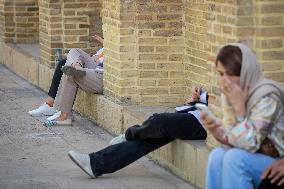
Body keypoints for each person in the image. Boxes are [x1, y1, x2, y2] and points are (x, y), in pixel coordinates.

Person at [67, 86, 207, 178]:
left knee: (160, 120)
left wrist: (205, 98)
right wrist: (196, 99)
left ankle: (129, 135)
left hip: (206, 123)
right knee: (148, 138)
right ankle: (95, 164)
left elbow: (217, 101)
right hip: (197, 115)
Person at [202, 43, 284, 189]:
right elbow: (233, 138)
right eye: (221, 73)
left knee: (234, 158)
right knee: (217, 155)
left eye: (230, 74)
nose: (224, 81)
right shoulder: (231, 95)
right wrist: (217, 131)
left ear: (245, 72)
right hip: (254, 155)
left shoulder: (267, 96)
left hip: (277, 161)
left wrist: (240, 109)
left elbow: (251, 143)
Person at [29, 35, 104, 126]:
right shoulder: (107, 47)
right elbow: (95, 59)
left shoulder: (119, 49)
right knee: (73, 52)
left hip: (103, 76)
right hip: (94, 68)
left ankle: (61, 113)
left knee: (69, 72)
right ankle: (76, 67)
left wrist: (106, 45)